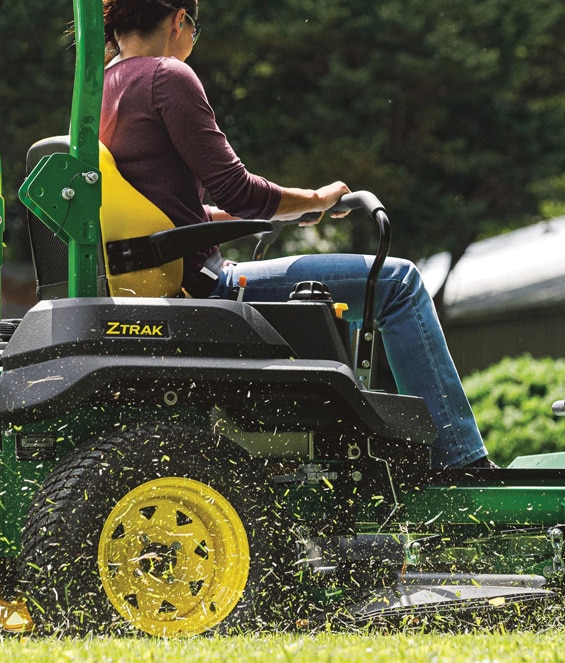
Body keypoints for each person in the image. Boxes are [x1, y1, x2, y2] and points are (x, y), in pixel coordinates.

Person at [100, 0, 494, 469]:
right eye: (195, 29)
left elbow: (165, 214)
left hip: (160, 274)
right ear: (179, 19)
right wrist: (316, 199)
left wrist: (283, 213)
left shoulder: (101, 86)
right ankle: (459, 463)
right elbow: (238, 189)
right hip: (205, 285)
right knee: (398, 283)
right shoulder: (166, 76)